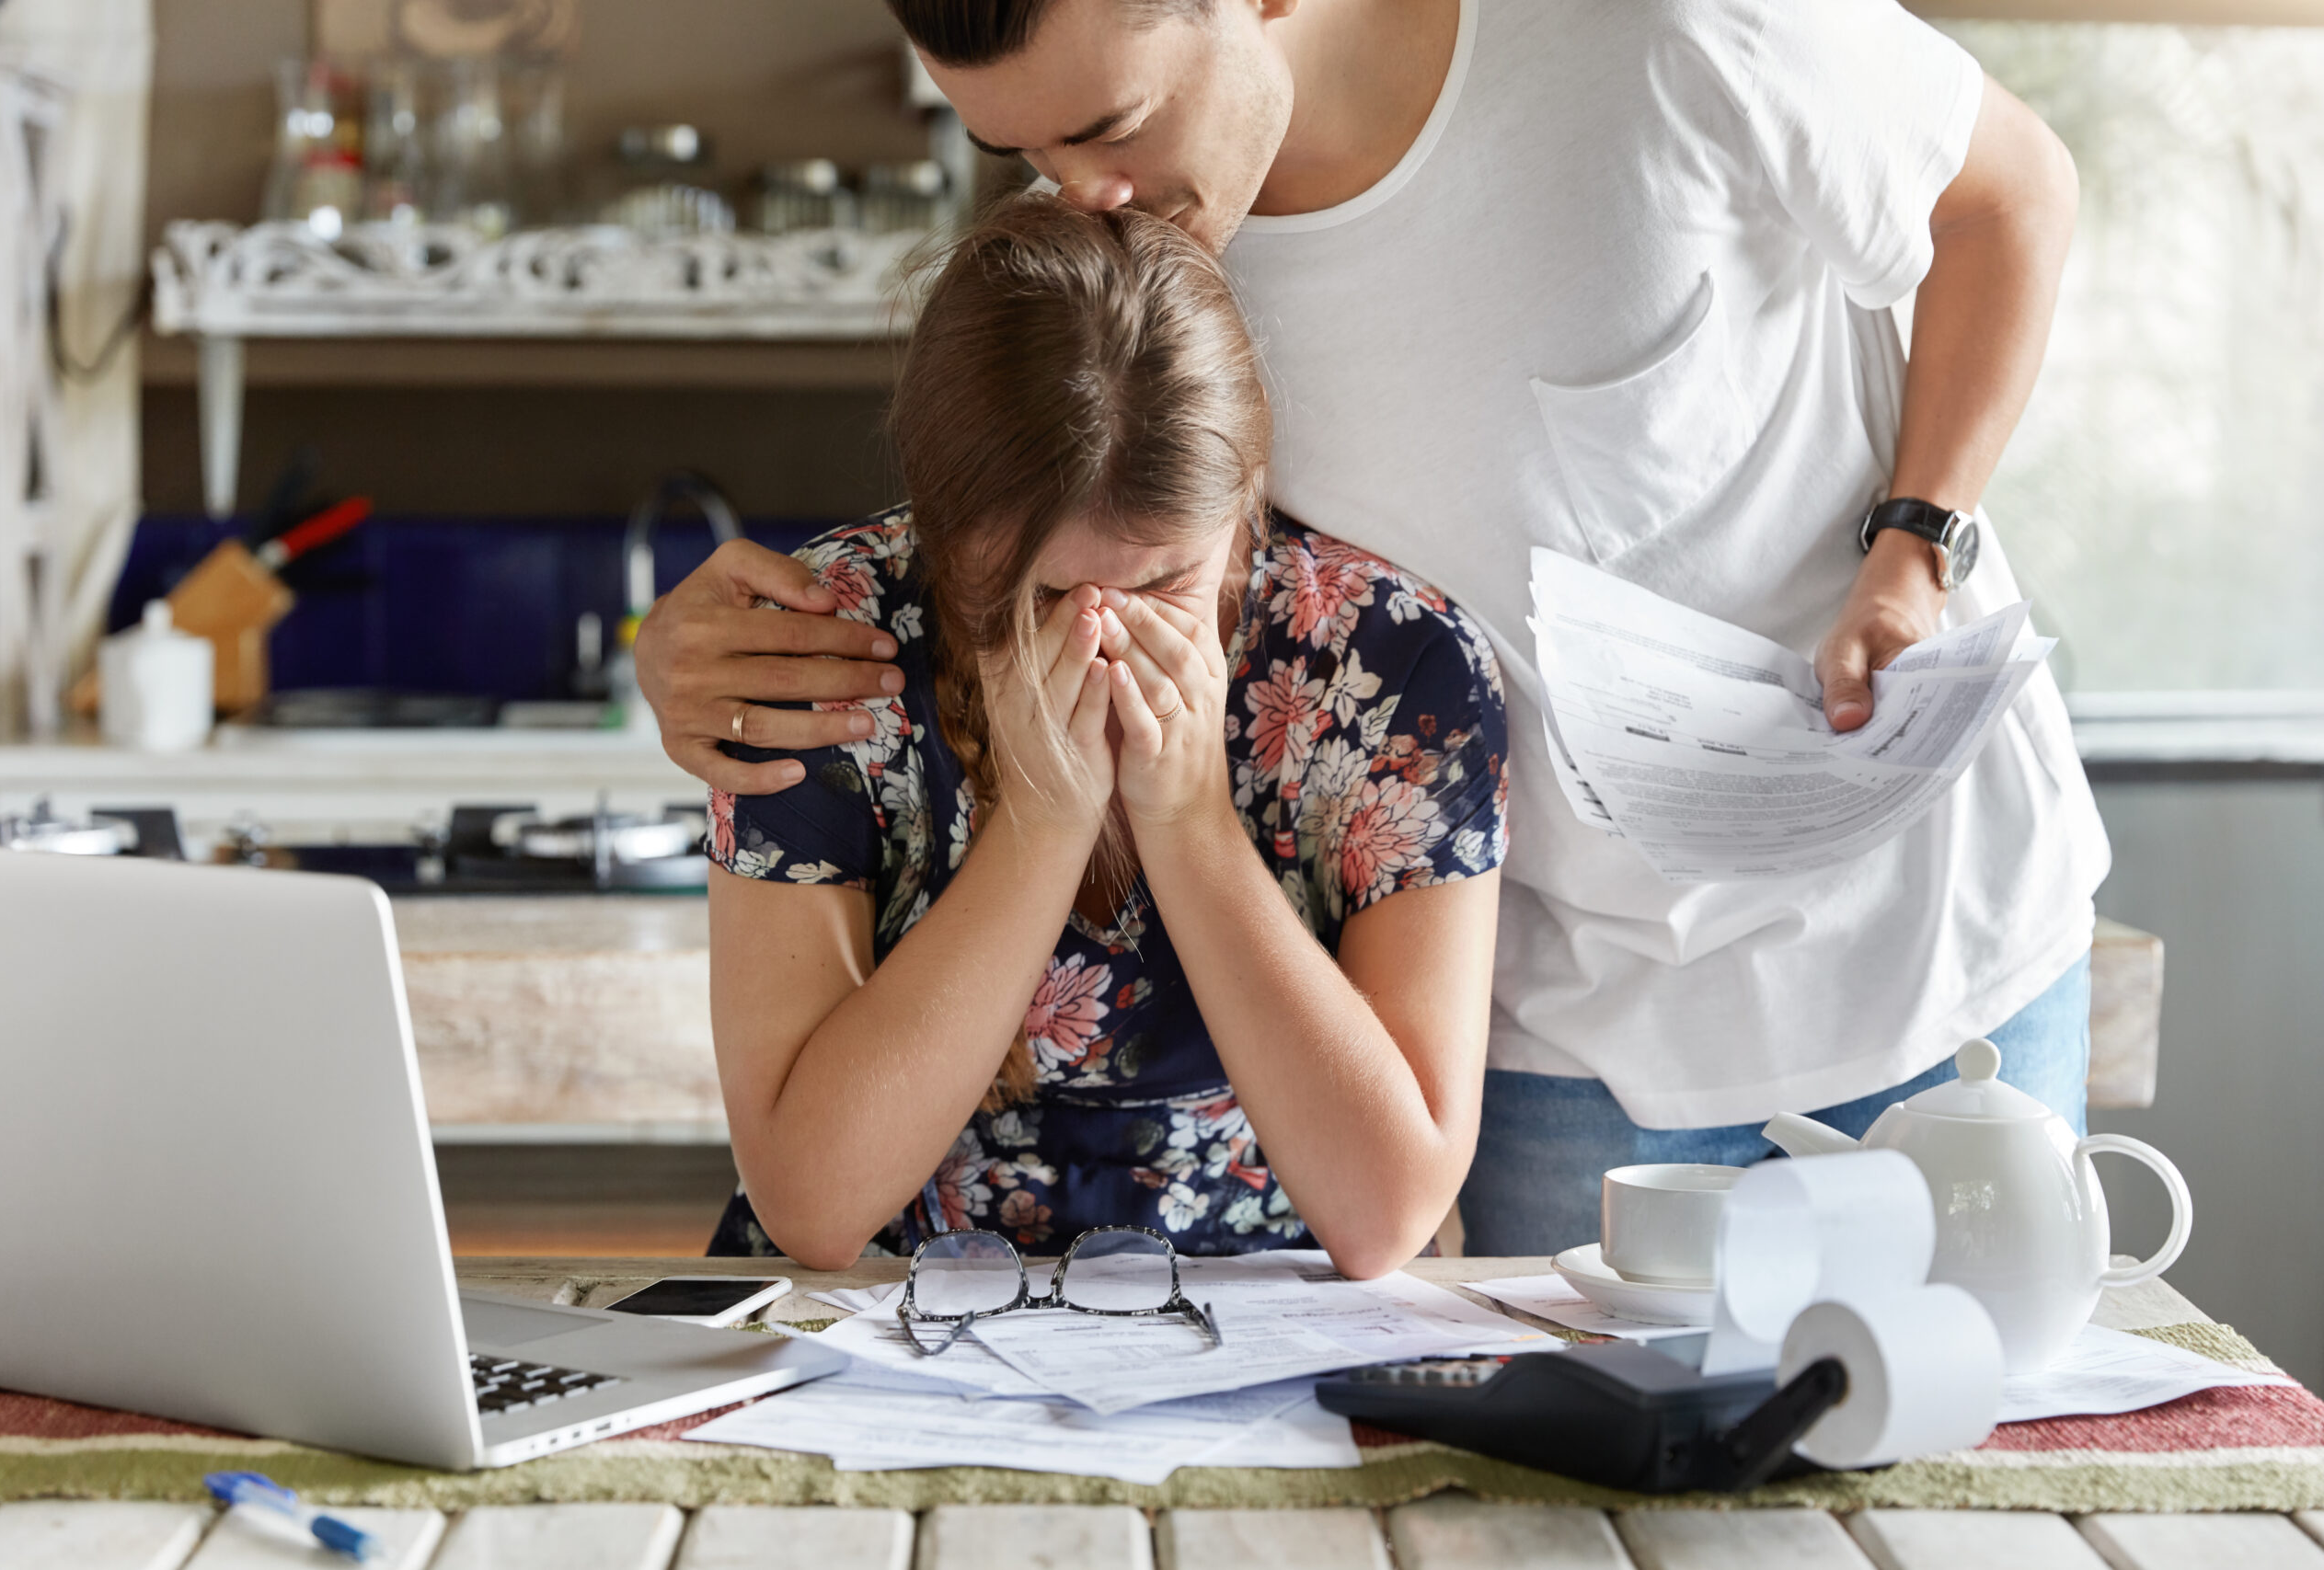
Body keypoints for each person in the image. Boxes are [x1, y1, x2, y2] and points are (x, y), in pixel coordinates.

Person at [648, 0, 2110, 1255]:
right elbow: (1019, 494)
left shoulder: (1665, 36)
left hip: (1922, 925)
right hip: (1565, 1009)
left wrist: (1919, 543)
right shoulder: (1162, 254)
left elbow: (2013, 195)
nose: (1076, 195)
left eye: (1110, 124)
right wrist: (692, 653)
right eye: (1022, 151)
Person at [703, 197, 1509, 1275]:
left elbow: (1384, 1214)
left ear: (1241, 500)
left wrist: (1190, 822)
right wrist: (1040, 824)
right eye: (1039, 592)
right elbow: (811, 1206)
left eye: (1165, 581)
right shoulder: (823, 648)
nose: (1101, 632)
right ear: (941, 532)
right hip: (883, 1302)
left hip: (1252, 1305)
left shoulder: (1395, 665)